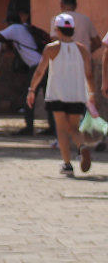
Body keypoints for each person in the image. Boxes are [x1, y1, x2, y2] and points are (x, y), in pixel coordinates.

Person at [27, 12, 95, 177]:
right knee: (74, 128)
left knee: (62, 129)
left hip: (57, 94)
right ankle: (82, 147)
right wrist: (91, 93)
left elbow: (40, 71)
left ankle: (67, 164)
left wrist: (32, 90)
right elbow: (89, 74)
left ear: (57, 29)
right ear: (72, 29)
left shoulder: (51, 48)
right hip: (77, 95)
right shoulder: (83, 49)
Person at [0, 11, 45, 134]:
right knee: (48, 96)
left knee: (28, 96)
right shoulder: (24, 28)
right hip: (44, 63)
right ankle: (53, 128)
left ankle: (29, 127)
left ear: (10, 22)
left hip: (36, 66)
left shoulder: (14, 28)